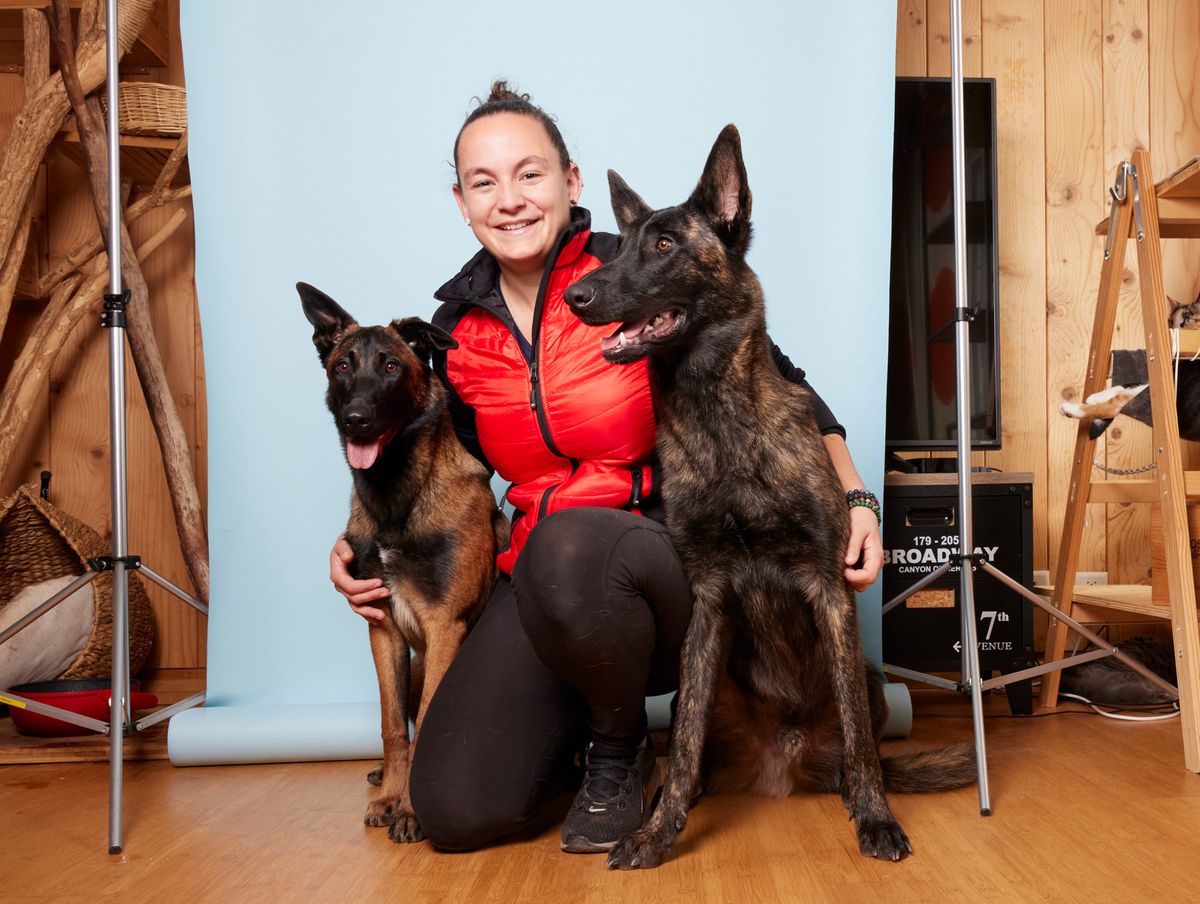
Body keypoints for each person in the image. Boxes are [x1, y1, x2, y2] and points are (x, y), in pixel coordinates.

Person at [329, 81, 884, 853]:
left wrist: (857, 497)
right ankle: (564, 741)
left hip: (659, 571)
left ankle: (619, 754)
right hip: (542, 587)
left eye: (530, 173)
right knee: (456, 809)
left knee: (571, 539)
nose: (511, 199)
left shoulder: (643, 269)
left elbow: (780, 379)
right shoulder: (455, 332)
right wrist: (360, 542)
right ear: (461, 202)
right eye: (485, 182)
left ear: (571, 182)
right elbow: (429, 453)